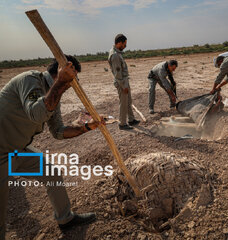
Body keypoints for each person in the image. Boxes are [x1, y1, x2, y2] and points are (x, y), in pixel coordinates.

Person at [0, 56, 103, 239]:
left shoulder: (53, 94)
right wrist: (61, 84)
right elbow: (36, 114)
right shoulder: (30, 80)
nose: (73, 85)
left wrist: (87, 127)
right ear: (61, 72)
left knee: (51, 172)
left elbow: (58, 131)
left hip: (17, 149)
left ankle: (65, 219)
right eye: (72, 78)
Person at [108, 34, 140, 130]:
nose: (125, 47)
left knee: (128, 101)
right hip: (121, 83)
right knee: (123, 103)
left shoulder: (117, 53)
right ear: (119, 43)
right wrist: (124, 86)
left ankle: (131, 119)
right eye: (124, 45)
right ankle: (122, 123)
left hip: (125, 81)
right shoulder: (115, 55)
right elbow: (118, 74)